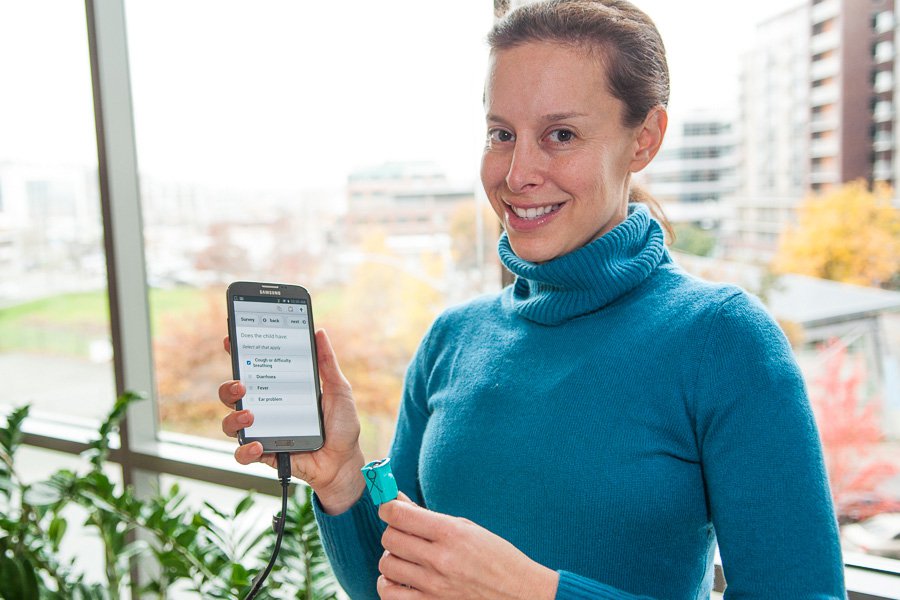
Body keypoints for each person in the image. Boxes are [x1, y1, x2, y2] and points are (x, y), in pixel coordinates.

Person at [219, 1, 847, 598]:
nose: (516, 174)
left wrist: (534, 592)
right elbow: (398, 584)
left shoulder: (723, 341)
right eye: (501, 134)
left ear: (645, 138)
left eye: (561, 134)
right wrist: (341, 477)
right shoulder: (451, 340)